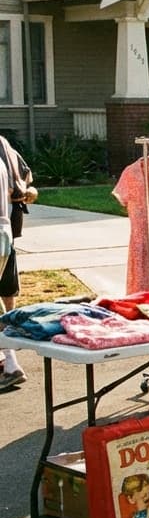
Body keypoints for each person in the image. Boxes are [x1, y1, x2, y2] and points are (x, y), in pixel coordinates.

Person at [0, 136, 34, 390]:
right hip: (4, 231)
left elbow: (24, 190)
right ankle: (7, 360)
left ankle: (10, 362)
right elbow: (20, 189)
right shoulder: (3, 150)